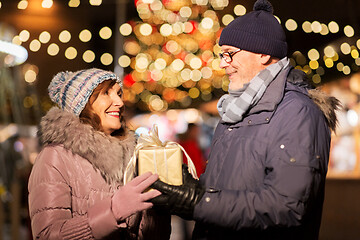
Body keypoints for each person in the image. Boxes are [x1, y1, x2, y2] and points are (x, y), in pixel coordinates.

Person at [150, 0, 341, 239]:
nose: (222, 63)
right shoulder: (236, 108)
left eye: (230, 54)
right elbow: (228, 185)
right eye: (222, 54)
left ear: (263, 53)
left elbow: (287, 207)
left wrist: (198, 201)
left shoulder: (298, 112)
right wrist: (191, 187)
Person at [28, 68, 170, 239]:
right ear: (83, 103)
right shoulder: (55, 158)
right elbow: (47, 235)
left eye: (118, 93)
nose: (119, 102)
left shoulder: (134, 156)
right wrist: (113, 212)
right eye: (106, 93)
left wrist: (162, 206)